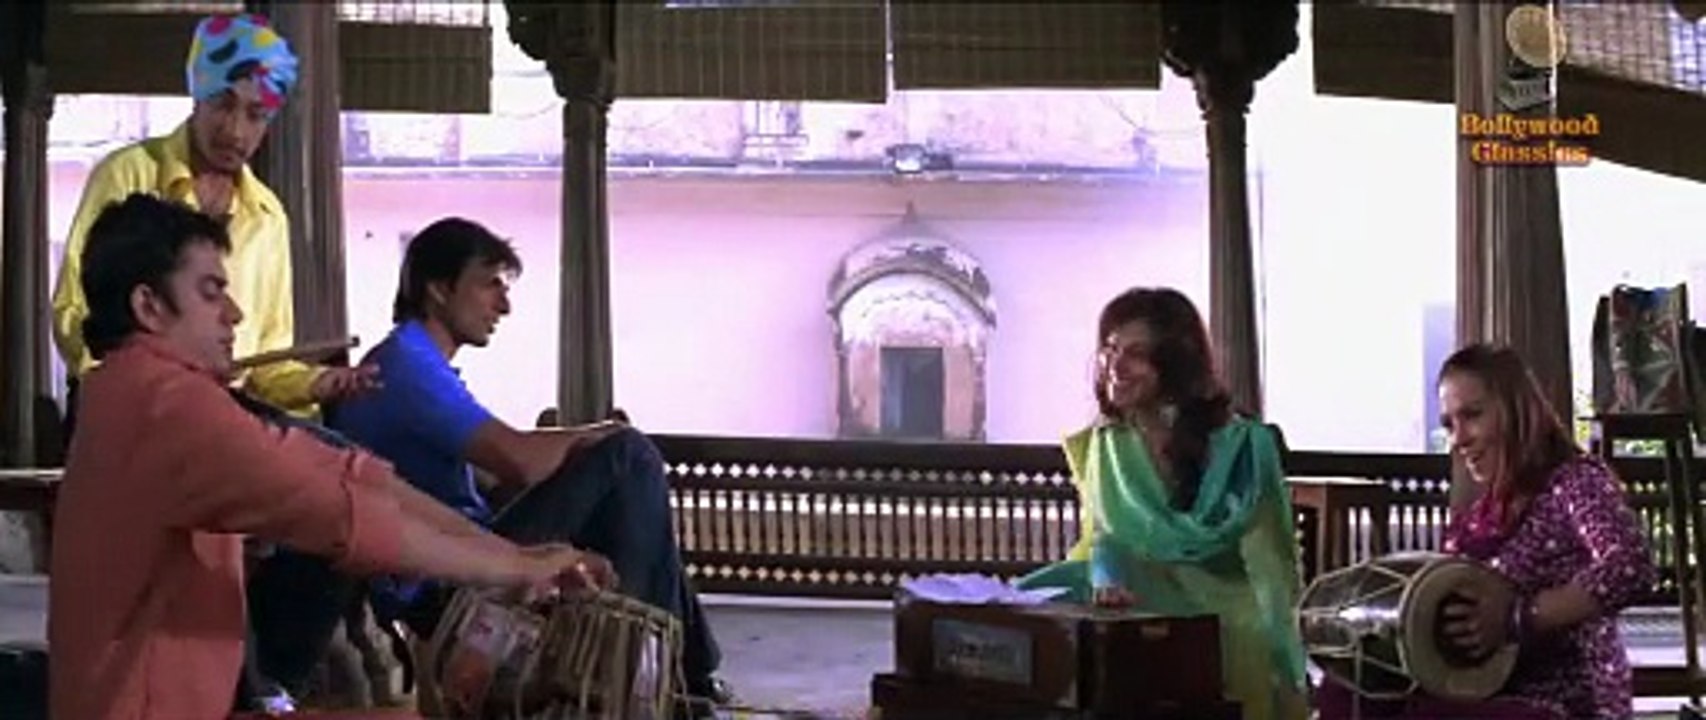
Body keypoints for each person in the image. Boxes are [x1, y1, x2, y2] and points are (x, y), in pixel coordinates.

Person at [47, 193, 617, 720]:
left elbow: (346, 473)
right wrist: (515, 568)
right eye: (211, 292)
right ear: (148, 306)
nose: (235, 314)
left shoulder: (134, 389)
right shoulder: (165, 406)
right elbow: (343, 512)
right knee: (625, 456)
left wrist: (514, 557)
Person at [328, 217, 730, 714]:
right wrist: (599, 437)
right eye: (489, 285)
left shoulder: (415, 362)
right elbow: (518, 461)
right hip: (441, 578)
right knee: (630, 456)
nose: (504, 305)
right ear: (438, 289)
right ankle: (670, 683)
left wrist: (588, 451)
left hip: (462, 546)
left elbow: (495, 474)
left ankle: (686, 682)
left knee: (631, 491)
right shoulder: (407, 366)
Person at [50, 12, 373, 427]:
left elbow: (267, 369)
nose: (235, 131)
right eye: (223, 105)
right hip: (128, 405)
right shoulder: (127, 175)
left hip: (218, 414)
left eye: (255, 115)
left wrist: (319, 383)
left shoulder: (268, 216)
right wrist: (133, 381)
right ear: (197, 95)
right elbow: (73, 312)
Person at [1315, 344, 1656, 720]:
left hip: (1562, 705)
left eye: (1472, 415)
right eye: (1449, 424)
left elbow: (1630, 566)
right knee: (1347, 690)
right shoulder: (1477, 517)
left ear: (1517, 410)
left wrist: (1518, 617)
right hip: (1486, 694)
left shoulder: (1575, 480)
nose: (1458, 438)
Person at [1014, 287, 1308, 720]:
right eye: (1110, 349)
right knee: (1018, 610)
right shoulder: (1109, 442)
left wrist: (1288, 668)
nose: (1114, 366)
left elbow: (1272, 568)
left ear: (1176, 363)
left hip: (1221, 612)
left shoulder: (1244, 445)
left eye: (1135, 353)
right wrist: (1108, 577)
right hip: (1127, 595)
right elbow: (1104, 538)